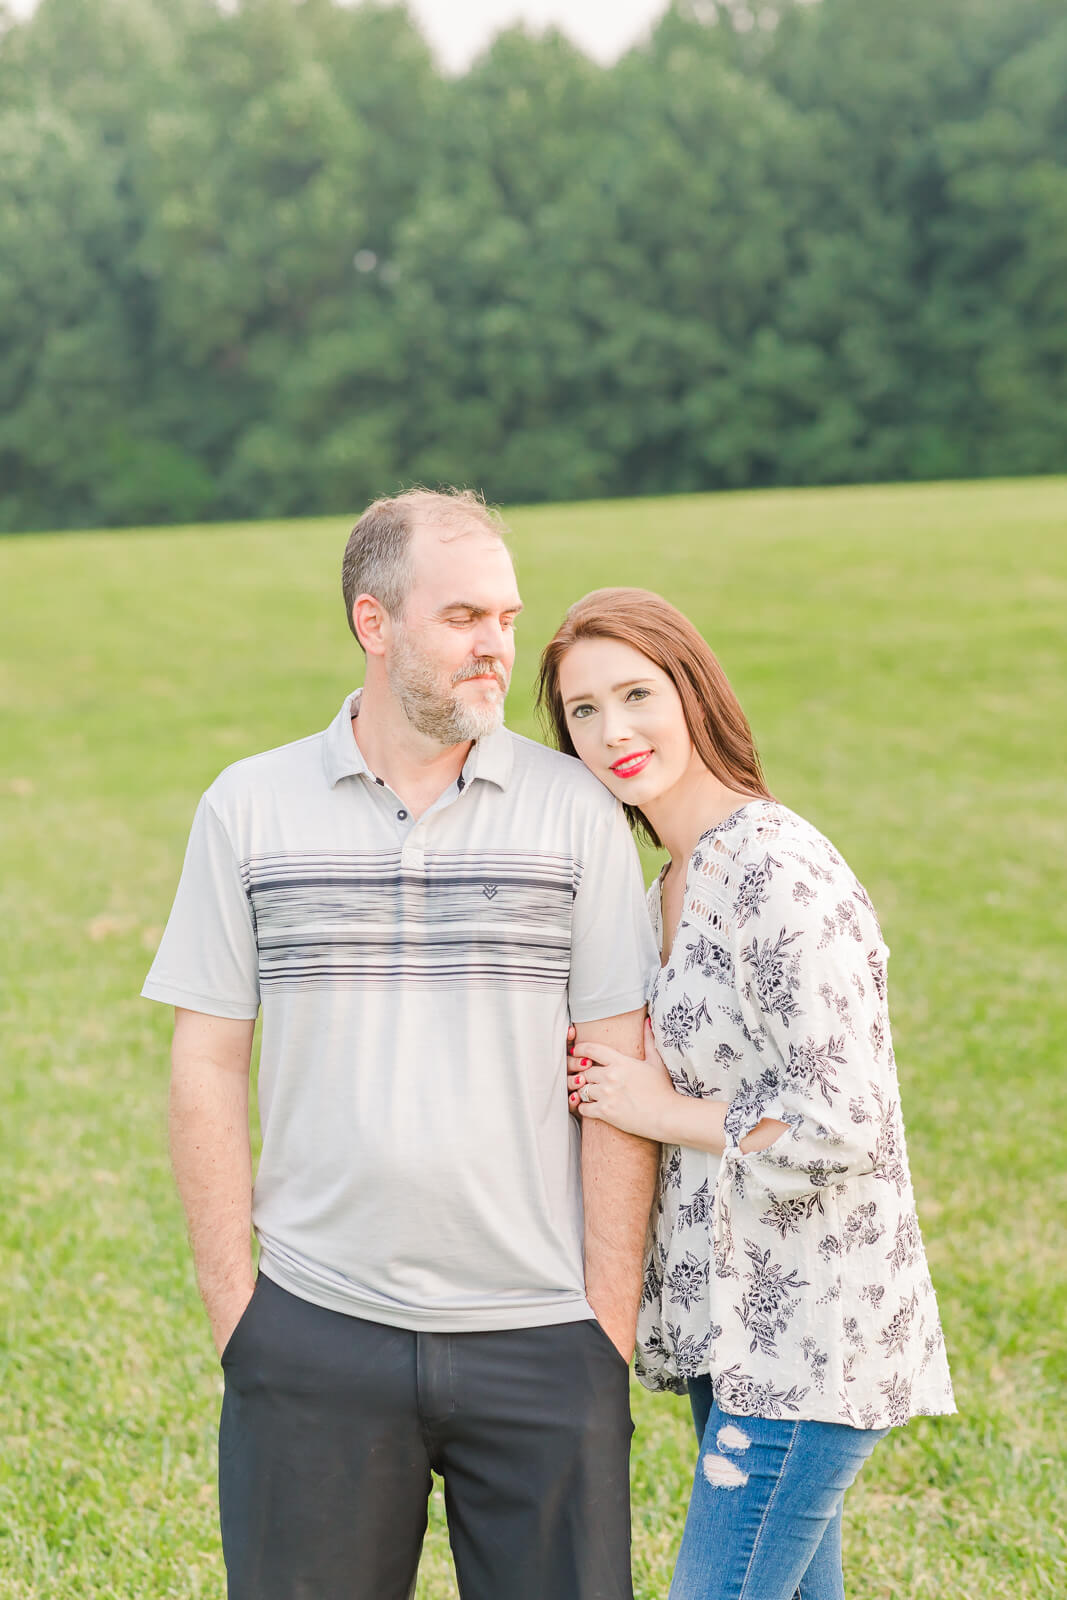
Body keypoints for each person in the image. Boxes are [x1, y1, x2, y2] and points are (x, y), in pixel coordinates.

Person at [142, 493, 661, 1600]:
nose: (496, 647)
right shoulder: (248, 808)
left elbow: (620, 1071)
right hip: (315, 1332)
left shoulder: (574, 813)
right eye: (463, 614)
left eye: (506, 617)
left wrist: (601, 1328)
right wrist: (243, 1312)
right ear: (374, 624)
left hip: (542, 1337)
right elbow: (205, 1062)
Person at [538, 588, 955, 1600]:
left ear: (693, 690)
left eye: (634, 692)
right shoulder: (673, 881)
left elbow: (841, 1118)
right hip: (736, 1330)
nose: (612, 731)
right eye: (581, 711)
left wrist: (654, 1107)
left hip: (808, 1337)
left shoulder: (773, 869)